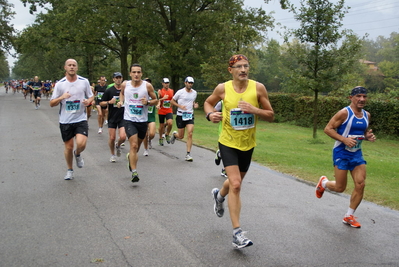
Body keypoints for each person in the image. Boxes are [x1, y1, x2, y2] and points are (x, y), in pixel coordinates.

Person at [204, 54, 274, 249]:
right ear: (231, 70)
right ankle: (237, 234)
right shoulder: (222, 88)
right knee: (236, 184)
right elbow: (208, 103)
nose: (243, 70)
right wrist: (210, 114)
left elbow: (270, 115)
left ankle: (219, 196)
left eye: (246, 66)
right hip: (227, 142)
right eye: (239, 67)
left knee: (235, 183)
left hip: (247, 144)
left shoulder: (258, 88)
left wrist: (255, 110)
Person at [316, 86, 376, 228]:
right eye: (358, 96)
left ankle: (349, 215)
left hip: (356, 154)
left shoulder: (367, 115)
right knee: (339, 187)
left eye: (364, 96)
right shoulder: (344, 113)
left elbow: (362, 132)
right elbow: (327, 129)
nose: (361, 99)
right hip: (341, 152)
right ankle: (323, 183)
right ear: (351, 98)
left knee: (360, 184)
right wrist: (344, 139)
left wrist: (367, 136)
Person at [50, 59, 94, 180]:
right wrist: (62, 97)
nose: (72, 67)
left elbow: (91, 96)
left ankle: (78, 153)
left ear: (77, 68)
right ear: (65, 67)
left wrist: (88, 101)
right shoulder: (60, 84)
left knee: (81, 143)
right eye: (69, 65)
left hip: (80, 118)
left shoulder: (84, 81)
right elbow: (52, 103)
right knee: (68, 147)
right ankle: (70, 170)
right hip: (65, 120)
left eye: (74, 65)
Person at [118, 64, 158, 183]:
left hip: (142, 121)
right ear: (130, 74)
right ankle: (134, 172)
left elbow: (156, 101)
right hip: (129, 120)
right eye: (134, 72)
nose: (136, 74)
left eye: (138, 72)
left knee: (137, 148)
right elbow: (122, 93)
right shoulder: (126, 84)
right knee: (134, 145)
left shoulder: (147, 86)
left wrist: (148, 102)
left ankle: (130, 158)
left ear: (141, 74)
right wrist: (121, 101)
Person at [169, 76, 198, 161]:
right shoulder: (180, 92)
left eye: (191, 83)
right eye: (188, 82)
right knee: (181, 136)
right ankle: (175, 135)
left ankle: (188, 154)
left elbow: (192, 102)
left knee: (190, 134)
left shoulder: (194, 93)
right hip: (181, 115)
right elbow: (172, 101)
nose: (190, 84)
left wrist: (194, 105)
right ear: (185, 83)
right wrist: (180, 106)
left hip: (189, 115)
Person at [99, 72, 126, 162]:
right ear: (113, 79)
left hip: (123, 116)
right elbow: (101, 102)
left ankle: (118, 145)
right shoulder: (109, 90)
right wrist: (109, 102)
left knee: (123, 137)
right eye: (116, 78)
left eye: (120, 77)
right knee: (112, 137)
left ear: (122, 79)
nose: (118, 79)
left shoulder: (125, 90)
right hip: (112, 117)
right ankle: (112, 154)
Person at [157, 78, 174, 146]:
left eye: (168, 83)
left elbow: (173, 99)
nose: (167, 84)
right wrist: (162, 99)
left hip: (168, 110)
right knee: (161, 126)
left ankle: (167, 134)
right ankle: (161, 138)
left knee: (170, 123)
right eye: (165, 83)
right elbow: (157, 99)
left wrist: (172, 103)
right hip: (161, 110)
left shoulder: (171, 91)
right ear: (162, 83)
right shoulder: (160, 91)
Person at [143, 78, 157, 156]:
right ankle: (146, 149)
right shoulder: (141, 93)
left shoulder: (154, 93)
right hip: (143, 116)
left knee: (152, 134)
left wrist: (156, 104)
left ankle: (149, 140)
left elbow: (156, 101)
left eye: (149, 83)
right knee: (145, 134)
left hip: (151, 117)